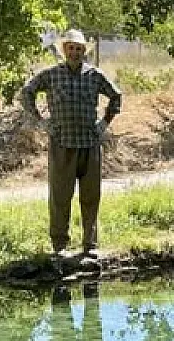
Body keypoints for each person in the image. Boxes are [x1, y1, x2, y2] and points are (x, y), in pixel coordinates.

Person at [18, 28, 122, 259]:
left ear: (84, 51)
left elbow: (116, 96)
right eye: (71, 48)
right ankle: (60, 245)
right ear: (64, 50)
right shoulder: (51, 75)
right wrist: (41, 122)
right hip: (62, 143)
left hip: (89, 143)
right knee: (60, 196)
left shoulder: (94, 75)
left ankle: (90, 244)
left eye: (79, 48)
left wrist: (104, 123)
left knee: (91, 196)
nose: (75, 52)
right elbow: (26, 93)